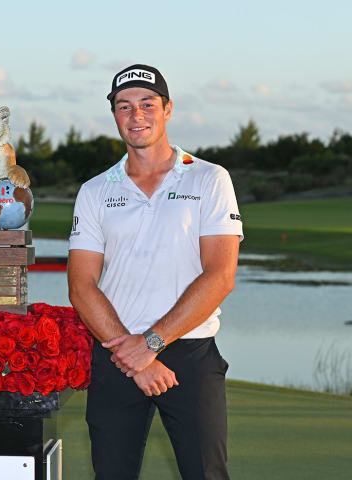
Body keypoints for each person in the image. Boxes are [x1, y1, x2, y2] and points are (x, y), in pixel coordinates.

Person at [68, 64, 243, 480]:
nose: (136, 115)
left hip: (190, 354)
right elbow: (81, 284)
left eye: (147, 104)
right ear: (115, 116)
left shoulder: (209, 179)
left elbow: (220, 275)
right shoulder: (95, 191)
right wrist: (135, 355)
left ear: (167, 109)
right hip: (116, 354)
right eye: (124, 107)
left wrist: (152, 343)